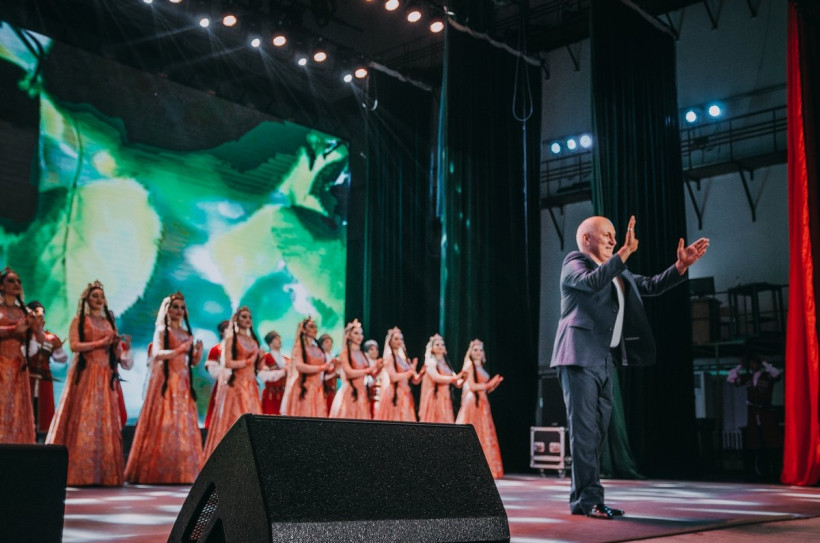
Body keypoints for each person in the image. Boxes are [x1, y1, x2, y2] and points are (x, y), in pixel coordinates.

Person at [550, 215, 708, 519]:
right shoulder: (574, 263)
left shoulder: (617, 272)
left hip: (603, 360)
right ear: (587, 239)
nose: (613, 240)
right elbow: (590, 283)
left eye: (614, 235)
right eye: (607, 235)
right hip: (577, 357)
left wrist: (680, 266)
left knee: (597, 433)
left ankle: (583, 500)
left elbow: (650, 285)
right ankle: (590, 500)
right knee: (584, 432)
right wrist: (623, 253)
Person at [46, 280, 133, 486]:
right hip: (86, 374)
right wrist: (101, 342)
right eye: (94, 296)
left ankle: (103, 473)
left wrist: (120, 347)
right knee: (85, 416)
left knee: (104, 420)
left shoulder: (109, 323)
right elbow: (75, 346)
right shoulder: (79, 320)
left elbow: (115, 354)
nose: (99, 299)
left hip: (105, 376)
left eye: (101, 296)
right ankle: (79, 472)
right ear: (86, 299)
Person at [125, 293, 204, 483]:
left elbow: (190, 362)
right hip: (166, 382)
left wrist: (197, 353)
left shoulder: (187, 334)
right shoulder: (162, 330)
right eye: (175, 307)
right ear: (167, 310)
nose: (178, 310)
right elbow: (158, 354)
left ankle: (182, 471)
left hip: (183, 383)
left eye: (181, 307)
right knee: (165, 421)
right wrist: (180, 350)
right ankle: (158, 471)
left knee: (182, 424)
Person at [202, 307, 262, 462]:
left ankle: (249, 457)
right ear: (237, 319)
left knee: (251, 416)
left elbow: (257, 366)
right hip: (235, 384)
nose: (247, 320)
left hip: (250, 385)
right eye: (244, 317)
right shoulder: (231, 338)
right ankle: (229, 457)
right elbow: (228, 363)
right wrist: (247, 362)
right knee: (235, 417)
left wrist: (259, 360)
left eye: (249, 317)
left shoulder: (253, 340)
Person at [727, 350, 783, 479]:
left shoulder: (767, 376)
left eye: (755, 363)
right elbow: (731, 379)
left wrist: (765, 363)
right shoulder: (748, 378)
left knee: (771, 441)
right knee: (755, 441)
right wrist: (740, 366)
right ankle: (760, 470)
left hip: (766, 411)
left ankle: (774, 470)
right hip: (753, 412)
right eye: (751, 364)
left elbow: (777, 374)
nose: (753, 366)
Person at [455, 339, 504, 478]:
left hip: (482, 402)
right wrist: (488, 385)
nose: (478, 352)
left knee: (484, 432)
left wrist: (493, 385)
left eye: (480, 350)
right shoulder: (469, 366)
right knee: (474, 430)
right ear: (470, 352)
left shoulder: (481, 366)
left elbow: (484, 389)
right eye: (475, 350)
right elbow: (472, 386)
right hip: (473, 402)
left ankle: (486, 467)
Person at [0, 268, 37, 444]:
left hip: (17, 365)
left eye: (18, 281)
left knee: (16, 407)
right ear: (1, 286)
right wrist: (14, 329)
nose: (16, 284)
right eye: (11, 281)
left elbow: (37, 339)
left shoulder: (23, 312)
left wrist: (36, 327)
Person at [26, 301, 68, 436]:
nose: (40, 320)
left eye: (41, 317)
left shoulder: (50, 338)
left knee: (43, 414)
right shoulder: (23, 336)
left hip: (44, 383)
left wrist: (59, 347)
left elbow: (61, 358)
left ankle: (42, 440)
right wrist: (36, 337)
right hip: (27, 381)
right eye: (36, 317)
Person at [282, 317, 333, 417]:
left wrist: (333, 368)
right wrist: (322, 367)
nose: (314, 329)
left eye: (315, 327)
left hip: (318, 388)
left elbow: (325, 369)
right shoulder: (299, 348)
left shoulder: (317, 348)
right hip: (304, 387)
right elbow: (300, 366)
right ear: (304, 330)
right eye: (311, 326)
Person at [329, 319, 380, 419]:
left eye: (361, 333)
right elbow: (349, 373)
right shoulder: (344, 353)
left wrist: (378, 368)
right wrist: (370, 369)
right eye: (356, 333)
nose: (359, 336)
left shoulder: (363, 354)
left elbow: (372, 375)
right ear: (349, 335)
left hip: (362, 393)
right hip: (350, 392)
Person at [375, 327, 423, 422]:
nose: (399, 341)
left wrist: (422, 372)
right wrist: (409, 373)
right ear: (390, 342)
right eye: (396, 339)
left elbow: (415, 380)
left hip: (406, 394)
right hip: (394, 394)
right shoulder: (390, 358)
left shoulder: (404, 359)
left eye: (401, 339)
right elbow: (393, 377)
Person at [418, 333, 463, 423]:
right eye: (437, 345)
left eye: (442, 344)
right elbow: (436, 377)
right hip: (435, 397)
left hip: (445, 397)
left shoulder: (446, 363)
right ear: (432, 347)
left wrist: (464, 377)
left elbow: (457, 382)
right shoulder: (430, 362)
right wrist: (454, 378)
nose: (440, 347)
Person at [203, 320, 230, 429]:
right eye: (228, 328)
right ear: (222, 332)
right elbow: (213, 373)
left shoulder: (242, 350)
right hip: (222, 387)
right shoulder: (216, 349)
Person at [258, 330, 288, 415]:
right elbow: (263, 376)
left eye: (279, 338)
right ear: (270, 343)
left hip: (283, 394)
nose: (279, 341)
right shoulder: (265, 358)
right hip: (270, 395)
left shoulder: (286, 359)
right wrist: (283, 372)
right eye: (276, 339)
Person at [319, 333, 338, 415]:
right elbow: (321, 376)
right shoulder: (321, 357)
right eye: (326, 342)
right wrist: (334, 373)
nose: (329, 344)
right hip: (324, 389)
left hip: (332, 389)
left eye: (331, 342)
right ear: (321, 344)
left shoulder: (332, 357)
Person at [363, 339, 381, 418]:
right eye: (371, 349)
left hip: (379, 394)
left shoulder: (380, 363)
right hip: (368, 394)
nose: (375, 351)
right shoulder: (365, 363)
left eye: (376, 349)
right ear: (366, 351)